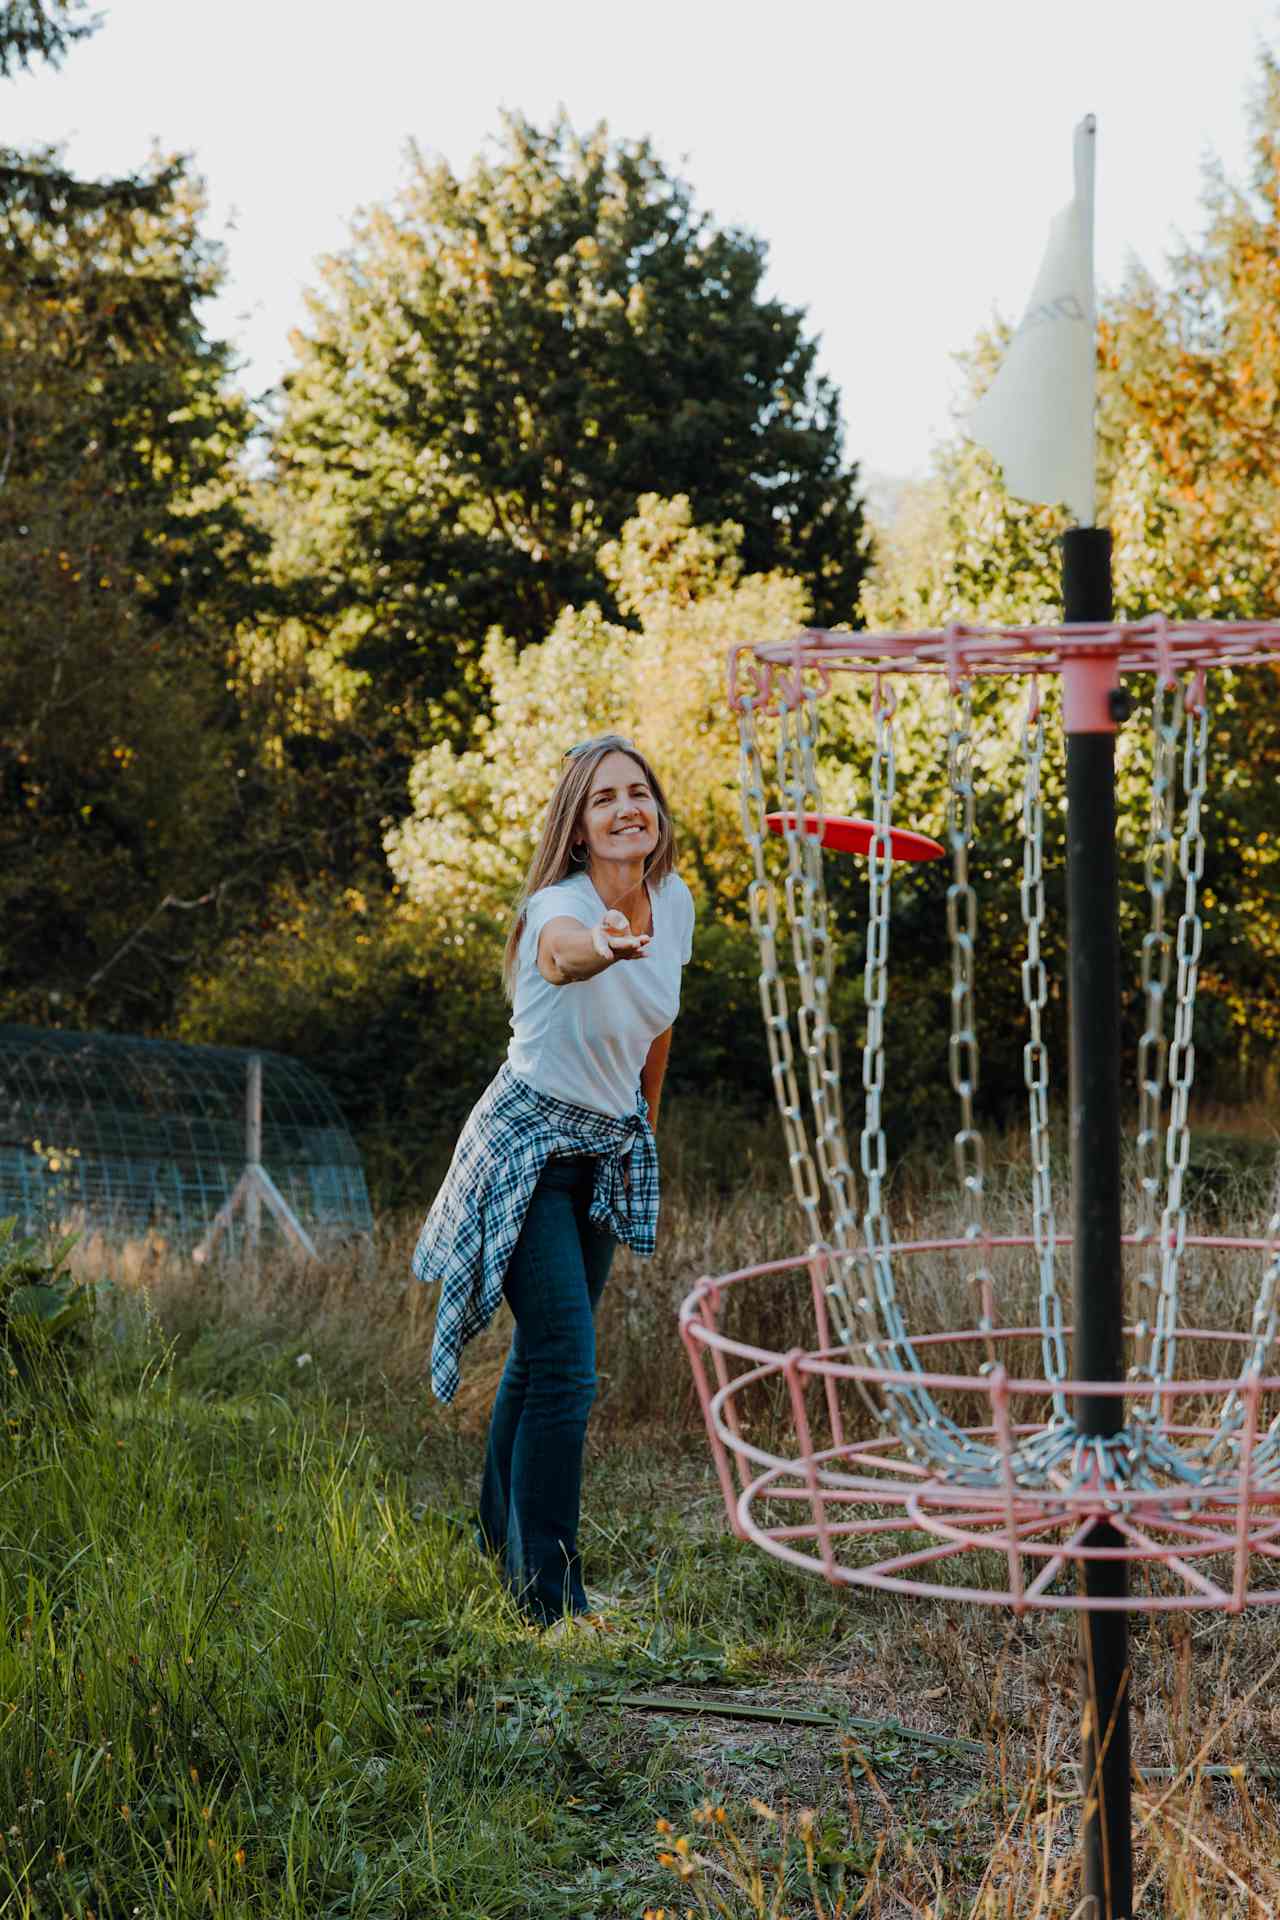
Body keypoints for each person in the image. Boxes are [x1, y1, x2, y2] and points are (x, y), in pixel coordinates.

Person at [412, 735, 694, 1628]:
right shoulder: (555, 910)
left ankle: (501, 1542)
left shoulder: (674, 901)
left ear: (656, 811)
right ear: (576, 827)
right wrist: (605, 948)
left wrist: (646, 1123)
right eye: (603, 798)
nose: (625, 809)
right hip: (528, 1146)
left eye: (638, 793)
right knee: (569, 1368)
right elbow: (564, 957)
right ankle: (548, 1602)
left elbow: (658, 1024)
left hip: (607, 1144)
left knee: (540, 1359)